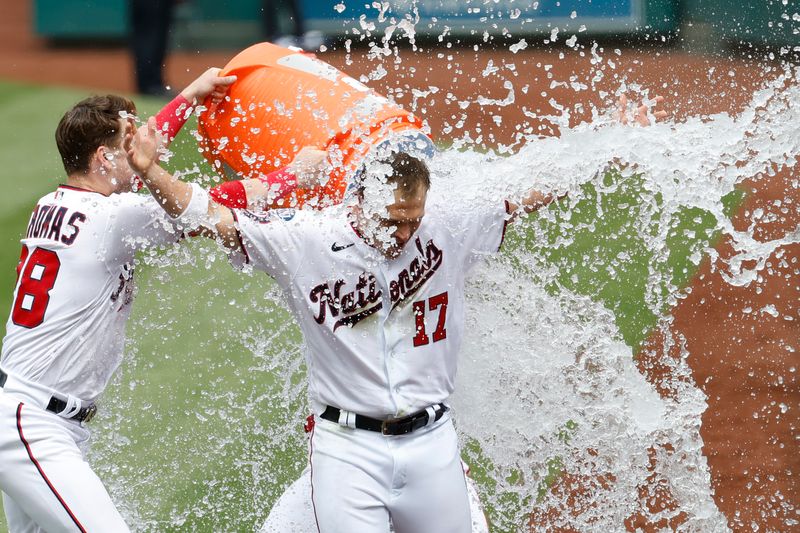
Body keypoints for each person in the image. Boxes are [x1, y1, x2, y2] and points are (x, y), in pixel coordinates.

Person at [128, 93, 665, 532]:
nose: (405, 233)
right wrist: (151, 172)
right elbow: (213, 219)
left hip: (433, 444)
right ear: (359, 201)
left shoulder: (449, 224)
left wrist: (610, 143)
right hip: (346, 450)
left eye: (414, 219)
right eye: (393, 221)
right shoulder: (304, 242)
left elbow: (532, 190)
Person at [0, 69, 242, 532]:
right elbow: (202, 206)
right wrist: (292, 178)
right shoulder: (114, 219)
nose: (142, 150)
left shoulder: (55, 202)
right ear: (102, 157)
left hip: (29, 412)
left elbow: (139, 155)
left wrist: (189, 96)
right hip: (34, 426)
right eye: (128, 143)